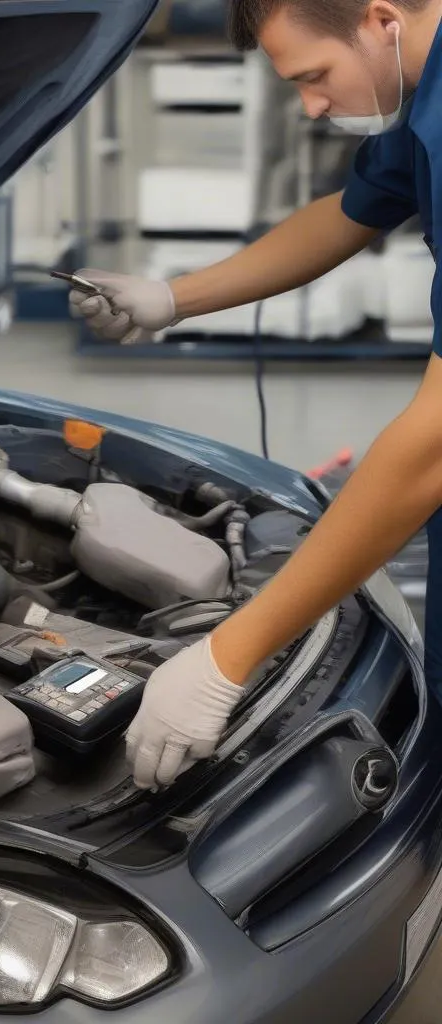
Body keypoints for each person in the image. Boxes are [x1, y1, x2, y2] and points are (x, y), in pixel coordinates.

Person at [67, 0, 442, 790]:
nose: (309, 105)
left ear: (381, 20)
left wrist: (230, 654)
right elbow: (347, 215)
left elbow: (434, 442)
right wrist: (173, 298)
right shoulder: (426, 97)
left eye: (314, 77)